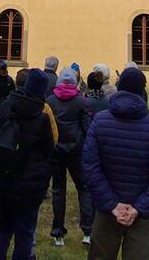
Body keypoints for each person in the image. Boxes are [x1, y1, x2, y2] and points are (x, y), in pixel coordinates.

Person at [82, 67, 149, 260]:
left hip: (108, 209)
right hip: (142, 211)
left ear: (119, 86)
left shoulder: (100, 121)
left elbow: (90, 166)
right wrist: (139, 206)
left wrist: (112, 203)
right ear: (142, 91)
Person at [0, 69, 59, 260]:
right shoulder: (43, 112)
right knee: (24, 233)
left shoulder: (5, 105)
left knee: (3, 229)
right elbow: (52, 146)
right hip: (29, 184)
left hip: (4, 176)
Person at [46, 68, 94, 246]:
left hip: (57, 151)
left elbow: (48, 128)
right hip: (76, 150)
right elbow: (87, 128)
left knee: (58, 190)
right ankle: (87, 231)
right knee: (84, 188)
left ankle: (58, 233)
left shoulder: (50, 101)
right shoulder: (81, 102)